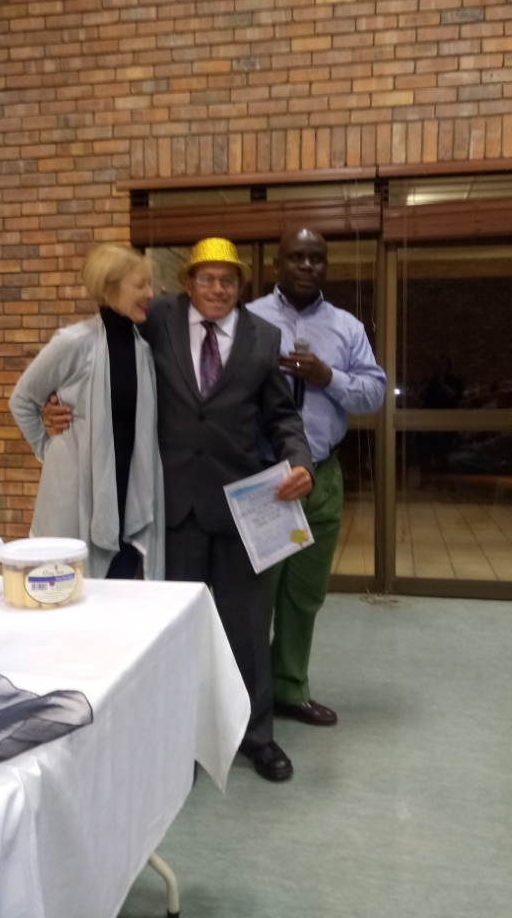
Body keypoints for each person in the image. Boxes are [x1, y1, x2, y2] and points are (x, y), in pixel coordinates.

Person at [45, 238, 313, 783]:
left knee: (246, 626)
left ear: (241, 287)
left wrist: (299, 460)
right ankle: (179, 737)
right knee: (175, 630)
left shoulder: (263, 337)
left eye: (228, 281)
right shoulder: (158, 317)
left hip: (241, 507)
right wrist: (57, 404)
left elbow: (282, 416)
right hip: (172, 505)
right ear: (187, 283)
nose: (217, 289)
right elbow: (102, 351)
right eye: (206, 279)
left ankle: (257, 737)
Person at [248, 228, 386, 727]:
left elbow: (374, 393)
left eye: (316, 258)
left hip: (323, 478)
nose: (307, 266)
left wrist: (329, 377)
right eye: (296, 257)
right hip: (267, 479)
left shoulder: (347, 327)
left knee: (305, 594)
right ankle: (248, 700)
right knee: (257, 597)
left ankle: (290, 687)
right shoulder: (249, 319)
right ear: (277, 264)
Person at [9, 243, 165, 582]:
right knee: (69, 596)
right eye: (140, 285)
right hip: (75, 499)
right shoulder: (73, 343)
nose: (150, 294)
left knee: (118, 596)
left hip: (127, 497)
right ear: (110, 288)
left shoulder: (142, 349)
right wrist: (48, 450)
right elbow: (22, 399)